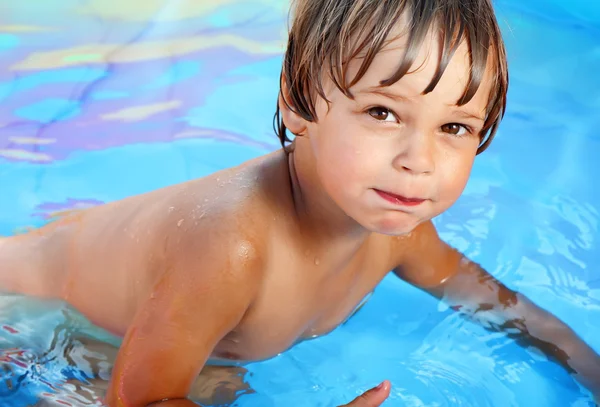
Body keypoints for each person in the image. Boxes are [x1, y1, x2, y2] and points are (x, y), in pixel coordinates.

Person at [1, 0, 599, 406]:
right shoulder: (232, 248)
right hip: (19, 316)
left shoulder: (398, 226)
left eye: (455, 128)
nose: (419, 161)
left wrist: (589, 368)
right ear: (298, 102)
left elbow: (497, 305)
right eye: (382, 112)